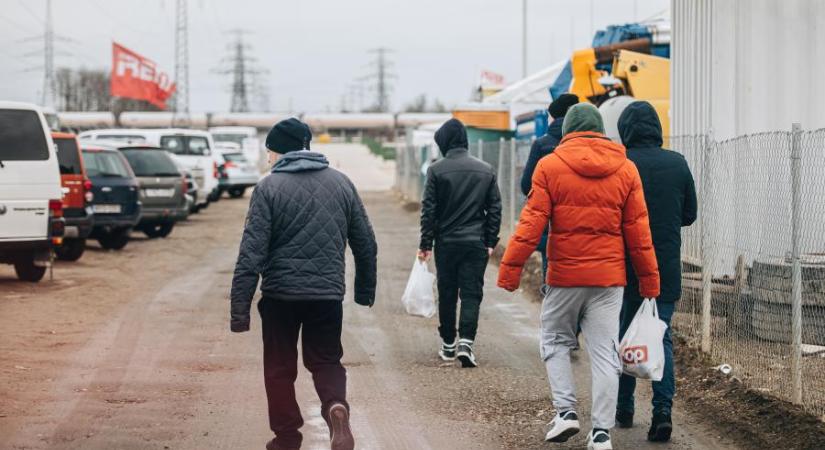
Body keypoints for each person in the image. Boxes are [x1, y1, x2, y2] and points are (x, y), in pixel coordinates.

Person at [498, 103, 660, 450]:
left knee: (555, 341)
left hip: (565, 277)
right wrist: (649, 282)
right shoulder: (626, 169)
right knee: (604, 353)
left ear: (568, 130)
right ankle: (601, 433)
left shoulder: (550, 166)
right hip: (609, 279)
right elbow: (639, 233)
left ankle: (566, 412)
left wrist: (510, 270)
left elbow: (531, 225)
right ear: (601, 130)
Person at [230, 117, 377, 450]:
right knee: (326, 360)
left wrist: (240, 310)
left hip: (280, 295)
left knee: (280, 367)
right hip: (326, 295)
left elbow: (251, 253)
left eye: (269, 151)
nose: (268, 158)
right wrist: (364, 290)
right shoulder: (342, 183)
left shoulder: (267, 187)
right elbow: (366, 242)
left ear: (279, 151)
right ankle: (335, 406)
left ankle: (286, 437)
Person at [614, 101, 697, 442]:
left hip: (627, 267)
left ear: (626, 129)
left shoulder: (622, 163)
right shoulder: (677, 164)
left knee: (626, 337)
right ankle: (662, 412)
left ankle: (623, 408)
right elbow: (689, 214)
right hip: (665, 269)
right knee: (660, 337)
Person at [418, 118, 502, 368]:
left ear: (444, 142)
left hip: (446, 243)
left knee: (446, 293)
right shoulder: (485, 169)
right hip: (475, 242)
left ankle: (448, 344)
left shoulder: (436, 170)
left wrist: (426, 243)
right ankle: (466, 342)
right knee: (471, 293)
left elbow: (429, 211)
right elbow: (495, 208)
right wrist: (489, 240)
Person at [519, 93, 580, 278]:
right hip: (583, 227)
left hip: (552, 226)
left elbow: (526, 184)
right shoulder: (590, 144)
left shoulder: (542, 144)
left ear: (553, 117)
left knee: (552, 281)